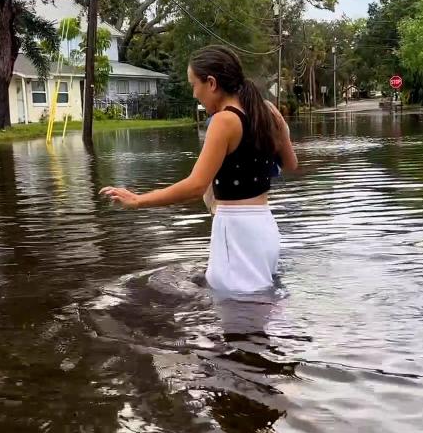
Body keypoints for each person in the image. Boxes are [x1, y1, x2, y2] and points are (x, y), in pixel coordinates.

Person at [100, 44, 298, 294]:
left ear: (212, 83)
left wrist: (138, 200)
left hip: (236, 231)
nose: (194, 94)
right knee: (260, 310)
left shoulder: (225, 120)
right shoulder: (263, 112)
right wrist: (283, 131)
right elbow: (291, 165)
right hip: (264, 227)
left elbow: (196, 186)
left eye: (194, 84)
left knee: (237, 316)